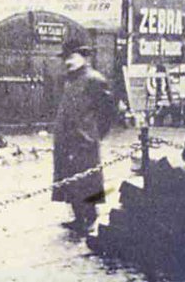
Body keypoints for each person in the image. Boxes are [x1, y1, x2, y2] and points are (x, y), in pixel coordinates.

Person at [52, 39, 114, 234]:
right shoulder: (70, 79)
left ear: (83, 57)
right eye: (65, 58)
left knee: (86, 180)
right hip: (66, 139)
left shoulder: (94, 79)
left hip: (84, 140)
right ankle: (78, 217)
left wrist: (95, 133)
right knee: (69, 179)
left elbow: (108, 111)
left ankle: (89, 217)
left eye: (71, 57)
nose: (68, 62)